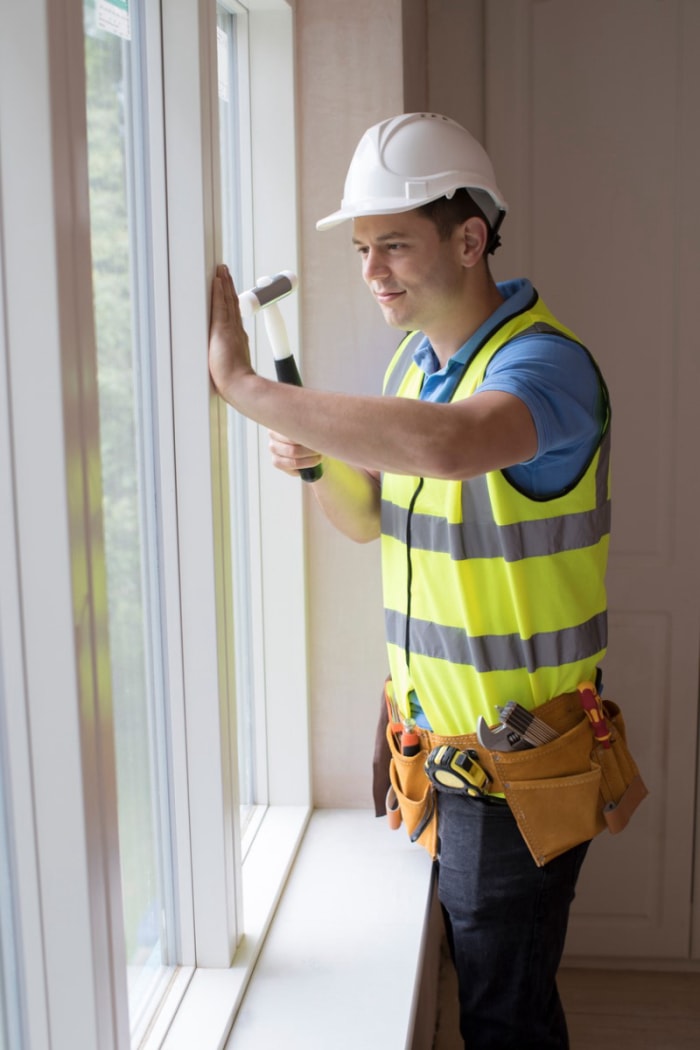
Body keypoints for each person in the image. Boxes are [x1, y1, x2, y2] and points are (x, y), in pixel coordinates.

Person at [208, 112, 611, 1050]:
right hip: (442, 753)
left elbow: (454, 446)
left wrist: (247, 387)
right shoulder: (419, 368)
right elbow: (366, 522)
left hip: (520, 763)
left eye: (393, 244)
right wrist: (318, 462)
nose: (372, 271)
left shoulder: (545, 365)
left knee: (503, 1010)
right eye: (360, 249)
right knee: (497, 993)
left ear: (470, 239)